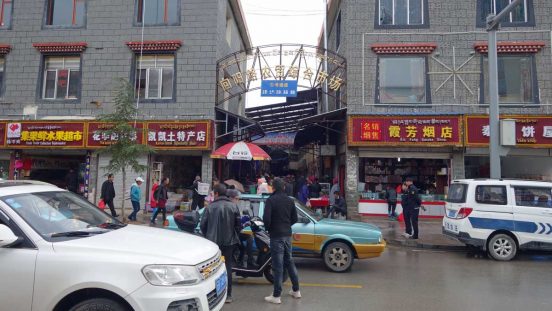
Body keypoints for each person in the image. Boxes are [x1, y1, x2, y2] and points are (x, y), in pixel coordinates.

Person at [200, 183, 241, 304]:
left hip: (212, 243)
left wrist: (208, 235)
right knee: (228, 266)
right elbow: (238, 226)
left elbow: (203, 225)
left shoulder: (210, 207)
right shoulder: (233, 207)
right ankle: (228, 295)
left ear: (216, 194)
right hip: (229, 242)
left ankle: (210, 296)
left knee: (210, 268)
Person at [263, 178, 301, 304]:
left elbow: (266, 219)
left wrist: (270, 228)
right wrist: (286, 225)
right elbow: (295, 218)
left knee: (278, 266)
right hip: (287, 235)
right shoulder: (290, 200)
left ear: (273, 188)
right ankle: (296, 290)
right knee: (289, 262)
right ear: (283, 188)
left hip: (276, 236)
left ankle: (276, 295)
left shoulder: (271, 200)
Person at [227, 189, 256, 268]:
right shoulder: (230, 206)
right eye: (236, 199)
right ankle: (250, 260)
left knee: (245, 243)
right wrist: (242, 226)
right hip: (230, 235)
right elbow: (234, 222)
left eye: (238, 199)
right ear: (231, 198)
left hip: (234, 232)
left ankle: (242, 262)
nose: (237, 200)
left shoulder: (233, 206)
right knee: (249, 237)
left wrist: (244, 223)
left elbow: (238, 220)